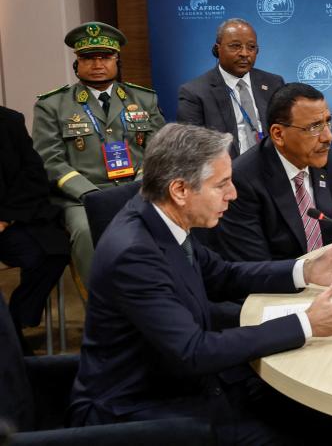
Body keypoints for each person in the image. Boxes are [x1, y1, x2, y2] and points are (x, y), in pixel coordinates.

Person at [68, 123, 332, 443]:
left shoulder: (160, 217)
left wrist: (304, 271)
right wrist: (306, 324)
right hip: (144, 409)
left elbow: (221, 275)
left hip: (185, 380)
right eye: (222, 184)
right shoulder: (134, 253)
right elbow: (193, 352)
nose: (233, 194)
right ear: (180, 190)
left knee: (321, 414)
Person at [31, 21, 165, 291]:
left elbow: (159, 150)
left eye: (105, 56)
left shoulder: (143, 99)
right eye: (88, 58)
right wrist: (89, 195)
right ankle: (102, 305)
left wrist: (139, 184)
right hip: (84, 197)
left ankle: (161, 295)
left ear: (117, 60)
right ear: (76, 64)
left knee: (171, 218)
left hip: (138, 189)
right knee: (85, 230)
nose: (97, 64)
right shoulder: (52, 105)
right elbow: (49, 161)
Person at [211, 83, 332, 262]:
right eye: (314, 127)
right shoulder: (242, 180)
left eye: (328, 122)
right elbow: (254, 266)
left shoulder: (331, 162)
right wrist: (307, 275)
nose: (328, 136)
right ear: (278, 134)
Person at [0, 105, 70, 346]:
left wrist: (6, 218)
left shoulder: (9, 121)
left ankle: (13, 324)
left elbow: (32, 174)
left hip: (10, 218)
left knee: (51, 251)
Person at [177, 18, 285, 158]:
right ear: (217, 49)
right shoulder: (194, 93)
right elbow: (191, 149)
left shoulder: (274, 83)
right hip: (227, 172)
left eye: (251, 47)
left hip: (271, 167)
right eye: (235, 46)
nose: (245, 53)